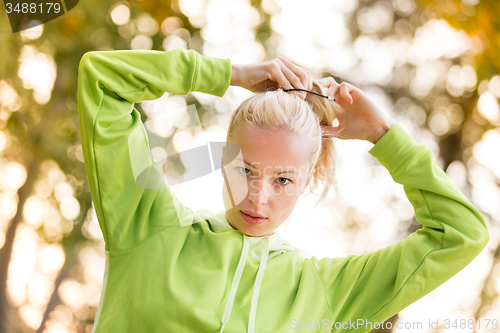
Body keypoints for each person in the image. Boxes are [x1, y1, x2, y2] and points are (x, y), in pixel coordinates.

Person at [77, 47, 490, 333]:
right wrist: (229, 74)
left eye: (283, 180)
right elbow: (103, 80)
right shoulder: (148, 227)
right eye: (246, 170)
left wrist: (384, 136)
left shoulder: (326, 294)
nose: (258, 198)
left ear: (307, 180)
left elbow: (461, 234)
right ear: (223, 161)